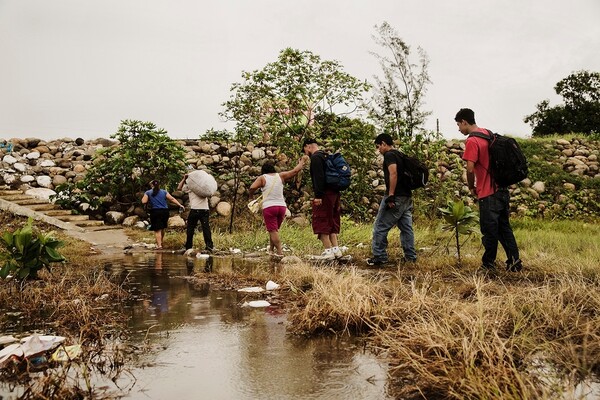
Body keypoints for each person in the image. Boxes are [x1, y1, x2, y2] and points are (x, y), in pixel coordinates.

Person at [454, 108, 523, 273]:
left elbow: (470, 169)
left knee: (489, 230)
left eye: (458, 125)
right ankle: (514, 262)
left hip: (488, 193)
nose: (458, 129)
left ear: (464, 121)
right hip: (502, 190)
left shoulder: (472, 141)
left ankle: (488, 265)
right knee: (504, 229)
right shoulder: (488, 133)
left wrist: (471, 187)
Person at [367, 133, 417, 266]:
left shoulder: (389, 155)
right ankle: (410, 257)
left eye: (378, 147)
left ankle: (379, 257)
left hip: (396, 196)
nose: (379, 150)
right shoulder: (400, 154)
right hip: (406, 197)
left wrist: (391, 195)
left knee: (380, 226)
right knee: (406, 228)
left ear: (383, 143)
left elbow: (393, 173)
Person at [248, 157, 308, 257]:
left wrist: (251, 196)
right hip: (281, 207)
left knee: (273, 230)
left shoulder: (262, 178)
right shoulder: (280, 175)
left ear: (263, 171)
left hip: (269, 207)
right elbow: (295, 171)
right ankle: (271, 249)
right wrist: (302, 162)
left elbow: (252, 187)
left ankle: (280, 252)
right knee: (274, 230)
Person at [302, 138, 343, 260]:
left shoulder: (316, 158)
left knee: (321, 220)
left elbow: (318, 177)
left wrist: (318, 195)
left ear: (308, 146)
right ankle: (336, 250)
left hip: (324, 195)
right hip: (334, 193)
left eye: (305, 150)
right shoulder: (327, 156)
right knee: (331, 220)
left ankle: (328, 251)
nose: (306, 154)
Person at [142, 180, 185, 250]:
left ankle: (159, 246)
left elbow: (144, 201)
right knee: (162, 227)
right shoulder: (164, 192)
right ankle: (161, 242)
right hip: (165, 211)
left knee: (157, 229)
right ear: (159, 185)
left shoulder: (148, 192)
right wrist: (180, 205)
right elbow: (172, 198)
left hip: (155, 211)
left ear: (151, 185)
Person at [177, 172, 214, 253]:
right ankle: (209, 246)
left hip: (195, 210)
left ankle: (188, 247)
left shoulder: (190, 187)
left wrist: (184, 178)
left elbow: (179, 188)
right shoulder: (204, 188)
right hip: (205, 210)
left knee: (190, 229)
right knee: (206, 228)